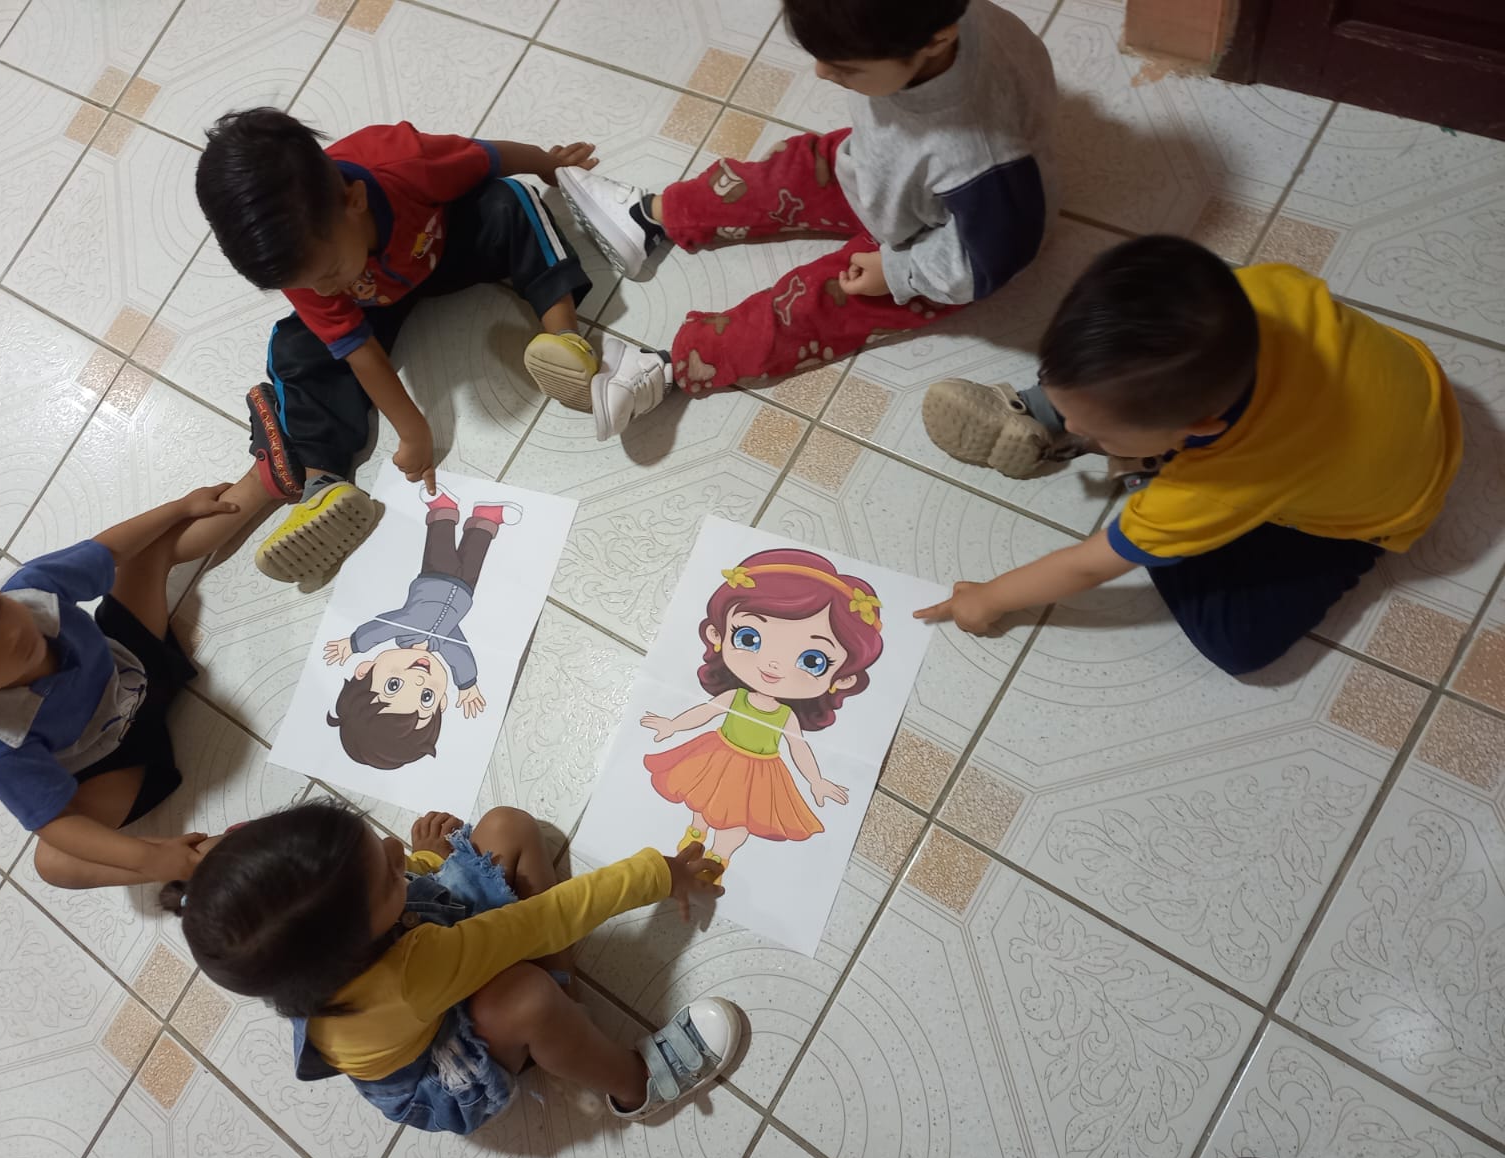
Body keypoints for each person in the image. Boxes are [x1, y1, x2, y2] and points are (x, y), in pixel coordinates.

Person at [915, 236, 1462, 675]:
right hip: (1408, 390)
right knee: (1119, 374)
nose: (1079, 434)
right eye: (1066, 409)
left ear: (1199, 429)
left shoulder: (1213, 489)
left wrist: (988, 599)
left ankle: (1137, 472)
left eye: (1096, 433)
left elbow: (1087, 566)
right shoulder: (1258, 292)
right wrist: (1105, 414)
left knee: (1239, 644)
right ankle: (1072, 401)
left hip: (1383, 509)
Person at [553, 0, 1057, 440]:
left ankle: (669, 369)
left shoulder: (984, 160)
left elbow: (990, 258)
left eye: (844, 66)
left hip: (936, 243)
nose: (819, 72)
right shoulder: (923, 24)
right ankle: (649, 218)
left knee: (813, 310)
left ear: (935, 41)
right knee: (788, 168)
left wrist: (898, 273)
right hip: (886, 169)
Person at [194, 108, 615, 582]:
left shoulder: (403, 160)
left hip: (445, 246)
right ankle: (320, 481)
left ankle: (563, 338)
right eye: (307, 284)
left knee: (511, 201)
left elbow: (491, 157)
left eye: (328, 272)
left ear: (354, 201)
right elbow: (360, 351)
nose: (323, 290)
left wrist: (547, 164)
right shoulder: (306, 268)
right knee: (295, 350)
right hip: (372, 303)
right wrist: (413, 431)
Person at [163, 800, 740, 1130]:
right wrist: (659, 873)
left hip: (417, 969)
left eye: (374, 843)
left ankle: (559, 1010)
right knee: (526, 996)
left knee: (506, 827)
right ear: (361, 936)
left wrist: (418, 866)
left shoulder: (312, 946)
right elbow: (543, 920)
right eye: (387, 873)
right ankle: (636, 1085)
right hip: (441, 1065)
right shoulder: (411, 974)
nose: (395, 850)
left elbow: (397, 900)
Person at [0, 486, 248, 888]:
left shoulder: (28, 590)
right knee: (53, 863)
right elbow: (53, 820)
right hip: (118, 761)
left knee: (149, 549)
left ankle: (268, 477)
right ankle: (207, 860)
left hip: (131, 666)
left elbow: (107, 550)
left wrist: (180, 507)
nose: (12, 634)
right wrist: (148, 859)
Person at [640, 548, 885, 877]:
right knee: (703, 803)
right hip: (718, 755)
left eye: (812, 660)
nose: (773, 665)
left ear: (841, 679)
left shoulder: (785, 716)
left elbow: (798, 746)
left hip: (760, 772)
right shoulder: (736, 696)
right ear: (717, 634)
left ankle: (718, 860)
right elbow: (707, 712)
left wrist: (816, 781)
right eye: (749, 637)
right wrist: (673, 724)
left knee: (738, 821)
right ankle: (695, 836)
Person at [322, 484, 520, 769]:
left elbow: (384, 626)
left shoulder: (406, 625)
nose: (418, 681)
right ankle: (485, 519)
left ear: (365, 669)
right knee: (474, 554)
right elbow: (459, 652)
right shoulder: (443, 639)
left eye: (393, 685)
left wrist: (354, 643)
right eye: (426, 697)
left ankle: (443, 509)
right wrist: (467, 684)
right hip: (466, 588)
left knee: (441, 542)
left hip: (435, 576)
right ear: (441, 702)